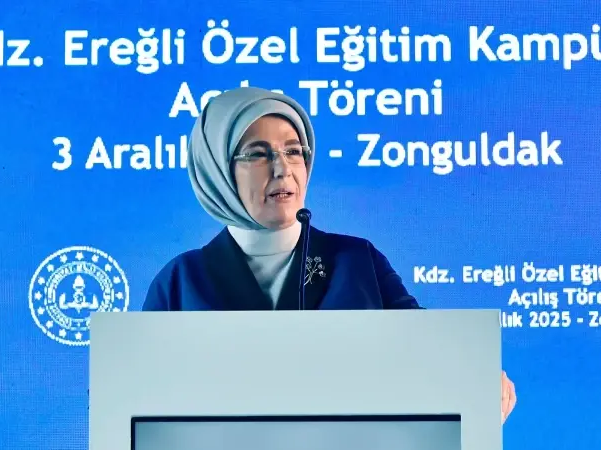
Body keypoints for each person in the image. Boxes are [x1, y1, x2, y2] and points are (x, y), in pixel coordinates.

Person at [142, 86, 516, 422]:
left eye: (293, 151)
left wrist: (475, 380)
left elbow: (426, 352)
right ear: (217, 169)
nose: (282, 169)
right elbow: (139, 397)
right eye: (258, 153)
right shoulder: (181, 280)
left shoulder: (357, 260)